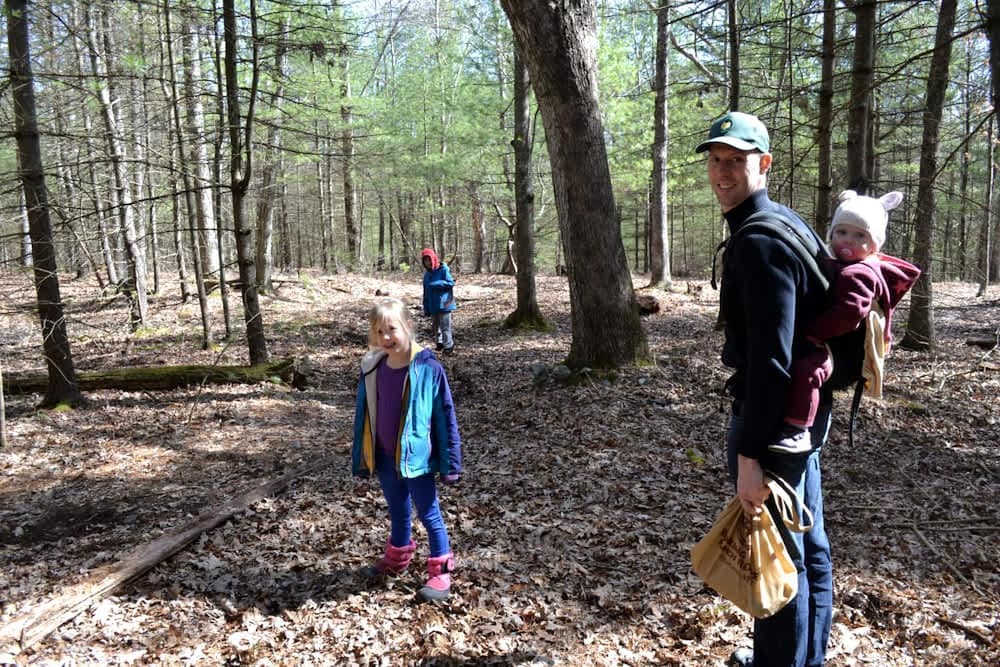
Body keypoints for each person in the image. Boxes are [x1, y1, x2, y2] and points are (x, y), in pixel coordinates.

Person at [696, 111, 833, 667]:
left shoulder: (758, 244)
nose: (723, 172)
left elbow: (771, 362)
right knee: (808, 554)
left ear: (765, 164)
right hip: (803, 420)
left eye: (737, 160)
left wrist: (751, 455)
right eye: (716, 160)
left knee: (776, 565)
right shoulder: (788, 223)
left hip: (773, 426)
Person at [779, 190, 921, 450]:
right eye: (841, 232)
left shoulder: (860, 273)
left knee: (809, 369)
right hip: (837, 343)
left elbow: (848, 315)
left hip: (844, 350)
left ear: (875, 244)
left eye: (860, 236)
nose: (848, 241)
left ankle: (798, 429)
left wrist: (812, 332)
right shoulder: (839, 264)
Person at [351, 297, 463, 602]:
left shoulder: (427, 368)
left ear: (408, 327)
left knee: (429, 513)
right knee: (398, 511)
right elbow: (366, 415)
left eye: (392, 329)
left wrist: (451, 461)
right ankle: (398, 557)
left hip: (417, 459)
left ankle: (440, 569)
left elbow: (444, 414)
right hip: (386, 456)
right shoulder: (374, 368)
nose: (386, 337)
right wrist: (362, 455)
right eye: (379, 332)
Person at [421, 248, 457, 355]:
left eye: (429, 260)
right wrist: (426, 307)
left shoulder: (443, 269)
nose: (428, 263)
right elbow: (425, 293)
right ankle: (440, 343)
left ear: (433, 259)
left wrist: (437, 283)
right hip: (433, 305)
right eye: (425, 261)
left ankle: (449, 346)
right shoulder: (427, 276)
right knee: (435, 327)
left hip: (445, 304)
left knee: (445, 326)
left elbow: (450, 283)